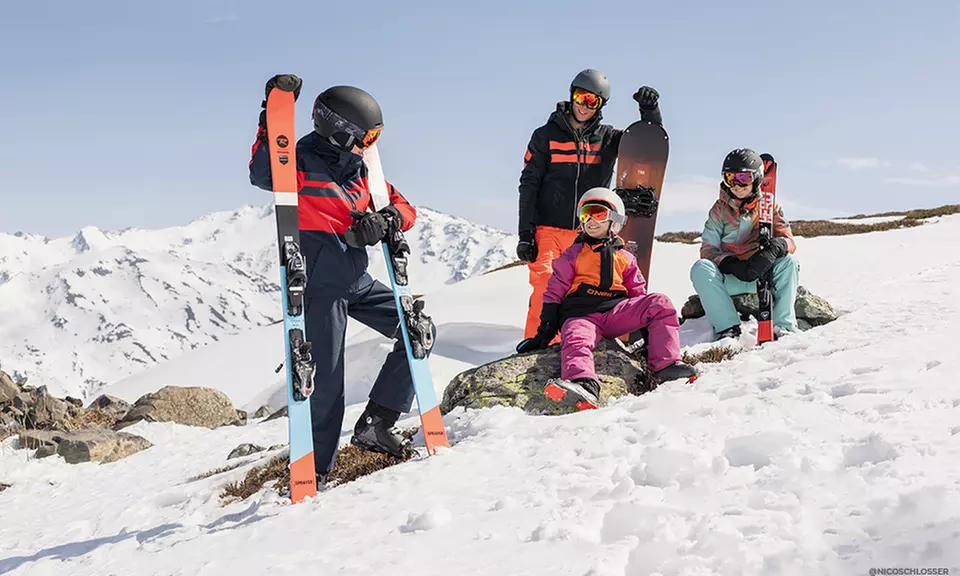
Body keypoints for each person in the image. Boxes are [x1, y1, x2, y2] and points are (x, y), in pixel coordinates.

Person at [249, 74, 419, 479]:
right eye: (367, 136)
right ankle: (317, 471)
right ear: (341, 133)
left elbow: (405, 207)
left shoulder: (363, 172)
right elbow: (262, 173)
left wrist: (385, 219)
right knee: (327, 389)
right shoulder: (300, 164)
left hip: (357, 281)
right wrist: (270, 119)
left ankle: (378, 424)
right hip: (321, 289)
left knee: (416, 335)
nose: (371, 144)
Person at [516, 187, 698, 410]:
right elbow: (554, 291)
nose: (591, 220)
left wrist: (647, 333)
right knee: (576, 338)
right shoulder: (572, 254)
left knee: (660, 303)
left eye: (599, 214)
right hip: (582, 315)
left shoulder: (625, 258)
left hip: (616, 313)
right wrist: (544, 332)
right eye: (585, 215)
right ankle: (583, 384)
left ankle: (665, 366)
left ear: (614, 220)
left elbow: (638, 294)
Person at [517, 69, 663, 341]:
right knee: (546, 288)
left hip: (590, 231)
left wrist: (650, 111)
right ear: (572, 95)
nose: (584, 105)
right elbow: (528, 186)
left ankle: (573, 348)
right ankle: (537, 352)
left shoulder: (607, 138)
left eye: (593, 101)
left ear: (601, 106)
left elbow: (644, 144)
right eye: (581, 97)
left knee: (583, 293)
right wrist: (525, 234)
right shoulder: (544, 136)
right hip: (547, 230)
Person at [689, 148, 800, 341]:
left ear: (756, 178)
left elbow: (789, 241)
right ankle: (727, 327)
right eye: (731, 179)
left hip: (763, 274)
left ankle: (784, 327)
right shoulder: (719, 210)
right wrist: (730, 264)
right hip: (732, 277)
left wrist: (774, 249)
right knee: (700, 269)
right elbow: (707, 249)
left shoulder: (770, 206)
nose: (737, 185)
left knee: (789, 262)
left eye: (743, 178)